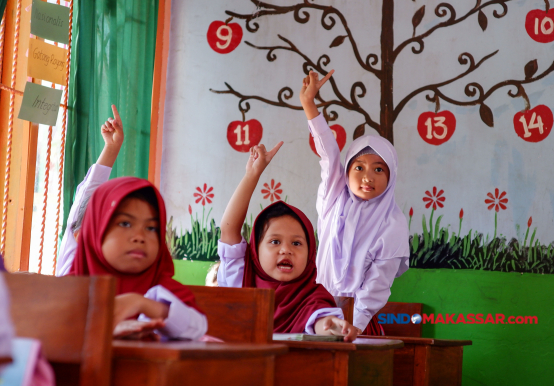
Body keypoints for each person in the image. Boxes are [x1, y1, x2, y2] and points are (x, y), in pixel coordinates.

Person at [300, 70, 410, 335]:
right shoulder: (333, 198)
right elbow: (328, 152)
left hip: (357, 325)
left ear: (391, 175)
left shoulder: (393, 225)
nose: (367, 177)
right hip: (315, 312)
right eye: (358, 167)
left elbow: (376, 288)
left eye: (378, 169)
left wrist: (353, 327)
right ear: (347, 171)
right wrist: (309, 105)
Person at [217, 143, 358, 341]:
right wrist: (252, 174)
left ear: (310, 254)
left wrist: (330, 326)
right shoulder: (239, 278)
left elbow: (320, 320)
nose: (286, 250)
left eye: (297, 243)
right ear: (255, 250)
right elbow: (229, 229)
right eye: (275, 241)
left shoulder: (313, 296)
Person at [68, 177, 208, 340]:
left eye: (151, 228)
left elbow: (197, 327)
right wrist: (105, 331)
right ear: (95, 232)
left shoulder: (163, 288)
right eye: (125, 224)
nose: (140, 237)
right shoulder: (66, 290)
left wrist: (141, 304)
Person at [56, 105, 123, 276]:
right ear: (79, 235)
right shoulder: (73, 264)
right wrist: (111, 147)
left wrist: (112, 147)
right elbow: (85, 199)